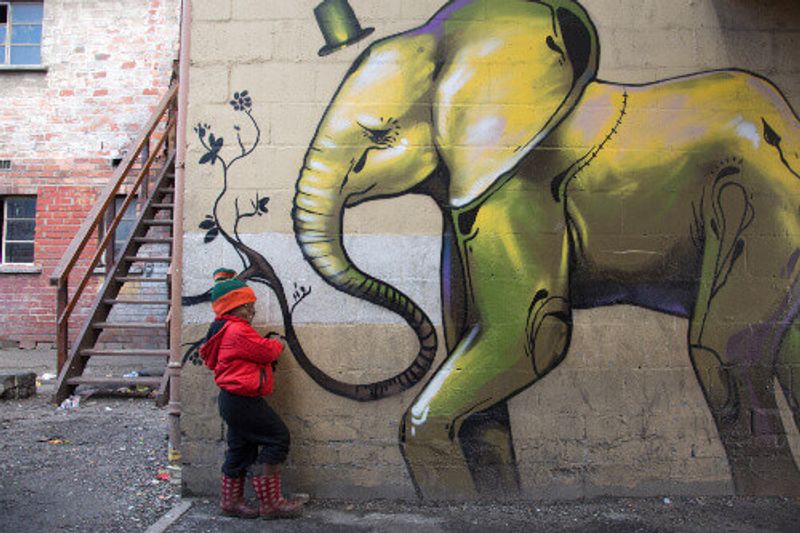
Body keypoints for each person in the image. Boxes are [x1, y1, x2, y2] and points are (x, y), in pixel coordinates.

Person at [199, 268, 304, 519]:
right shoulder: (237, 331)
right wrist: (277, 343)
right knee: (277, 437)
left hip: (232, 400)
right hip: (243, 400)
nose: (252, 311)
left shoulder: (222, 328)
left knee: (241, 448)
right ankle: (271, 503)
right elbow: (267, 352)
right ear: (232, 307)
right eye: (247, 306)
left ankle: (230, 502)